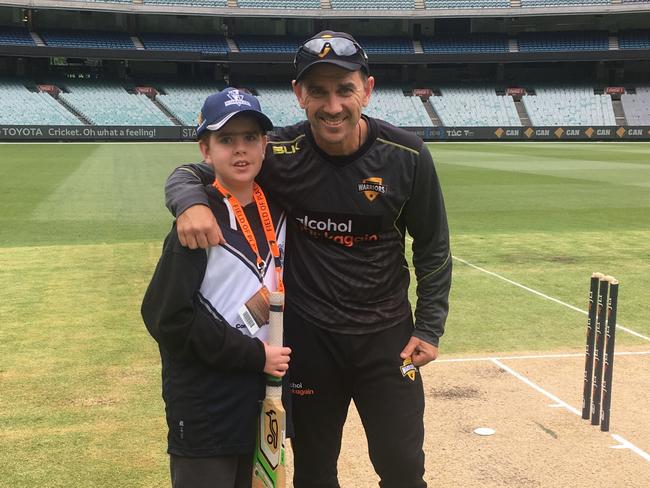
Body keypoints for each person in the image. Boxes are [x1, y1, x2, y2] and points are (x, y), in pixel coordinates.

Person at [164, 31, 452, 488]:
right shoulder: (279, 152)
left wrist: (429, 327)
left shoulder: (408, 156)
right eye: (318, 91)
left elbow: (434, 248)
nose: (332, 105)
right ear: (299, 95)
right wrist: (189, 202)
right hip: (311, 343)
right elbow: (196, 170)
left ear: (368, 89)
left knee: (403, 467)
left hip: (389, 341)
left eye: (344, 89)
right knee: (315, 472)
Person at [141, 88, 291, 488]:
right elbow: (167, 319)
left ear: (265, 145)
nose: (240, 150)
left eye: (249, 138)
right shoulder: (197, 219)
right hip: (206, 401)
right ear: (205, 150)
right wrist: (253, 355)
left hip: (263, 396)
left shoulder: (278, 207)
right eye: (226, 140)